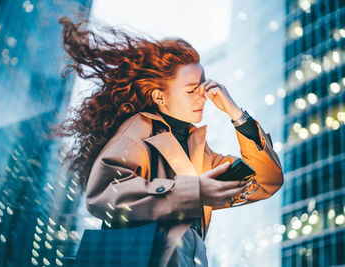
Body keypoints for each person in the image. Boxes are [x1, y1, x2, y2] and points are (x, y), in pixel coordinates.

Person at [53, 16, 284, 267]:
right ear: (160, 97)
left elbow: (266, 181)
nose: (203, 97)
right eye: (191, 90)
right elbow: (103, 194)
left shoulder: (199, 149)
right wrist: (192, 191)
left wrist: (237, 114)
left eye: (203, 87)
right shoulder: (139, 128)